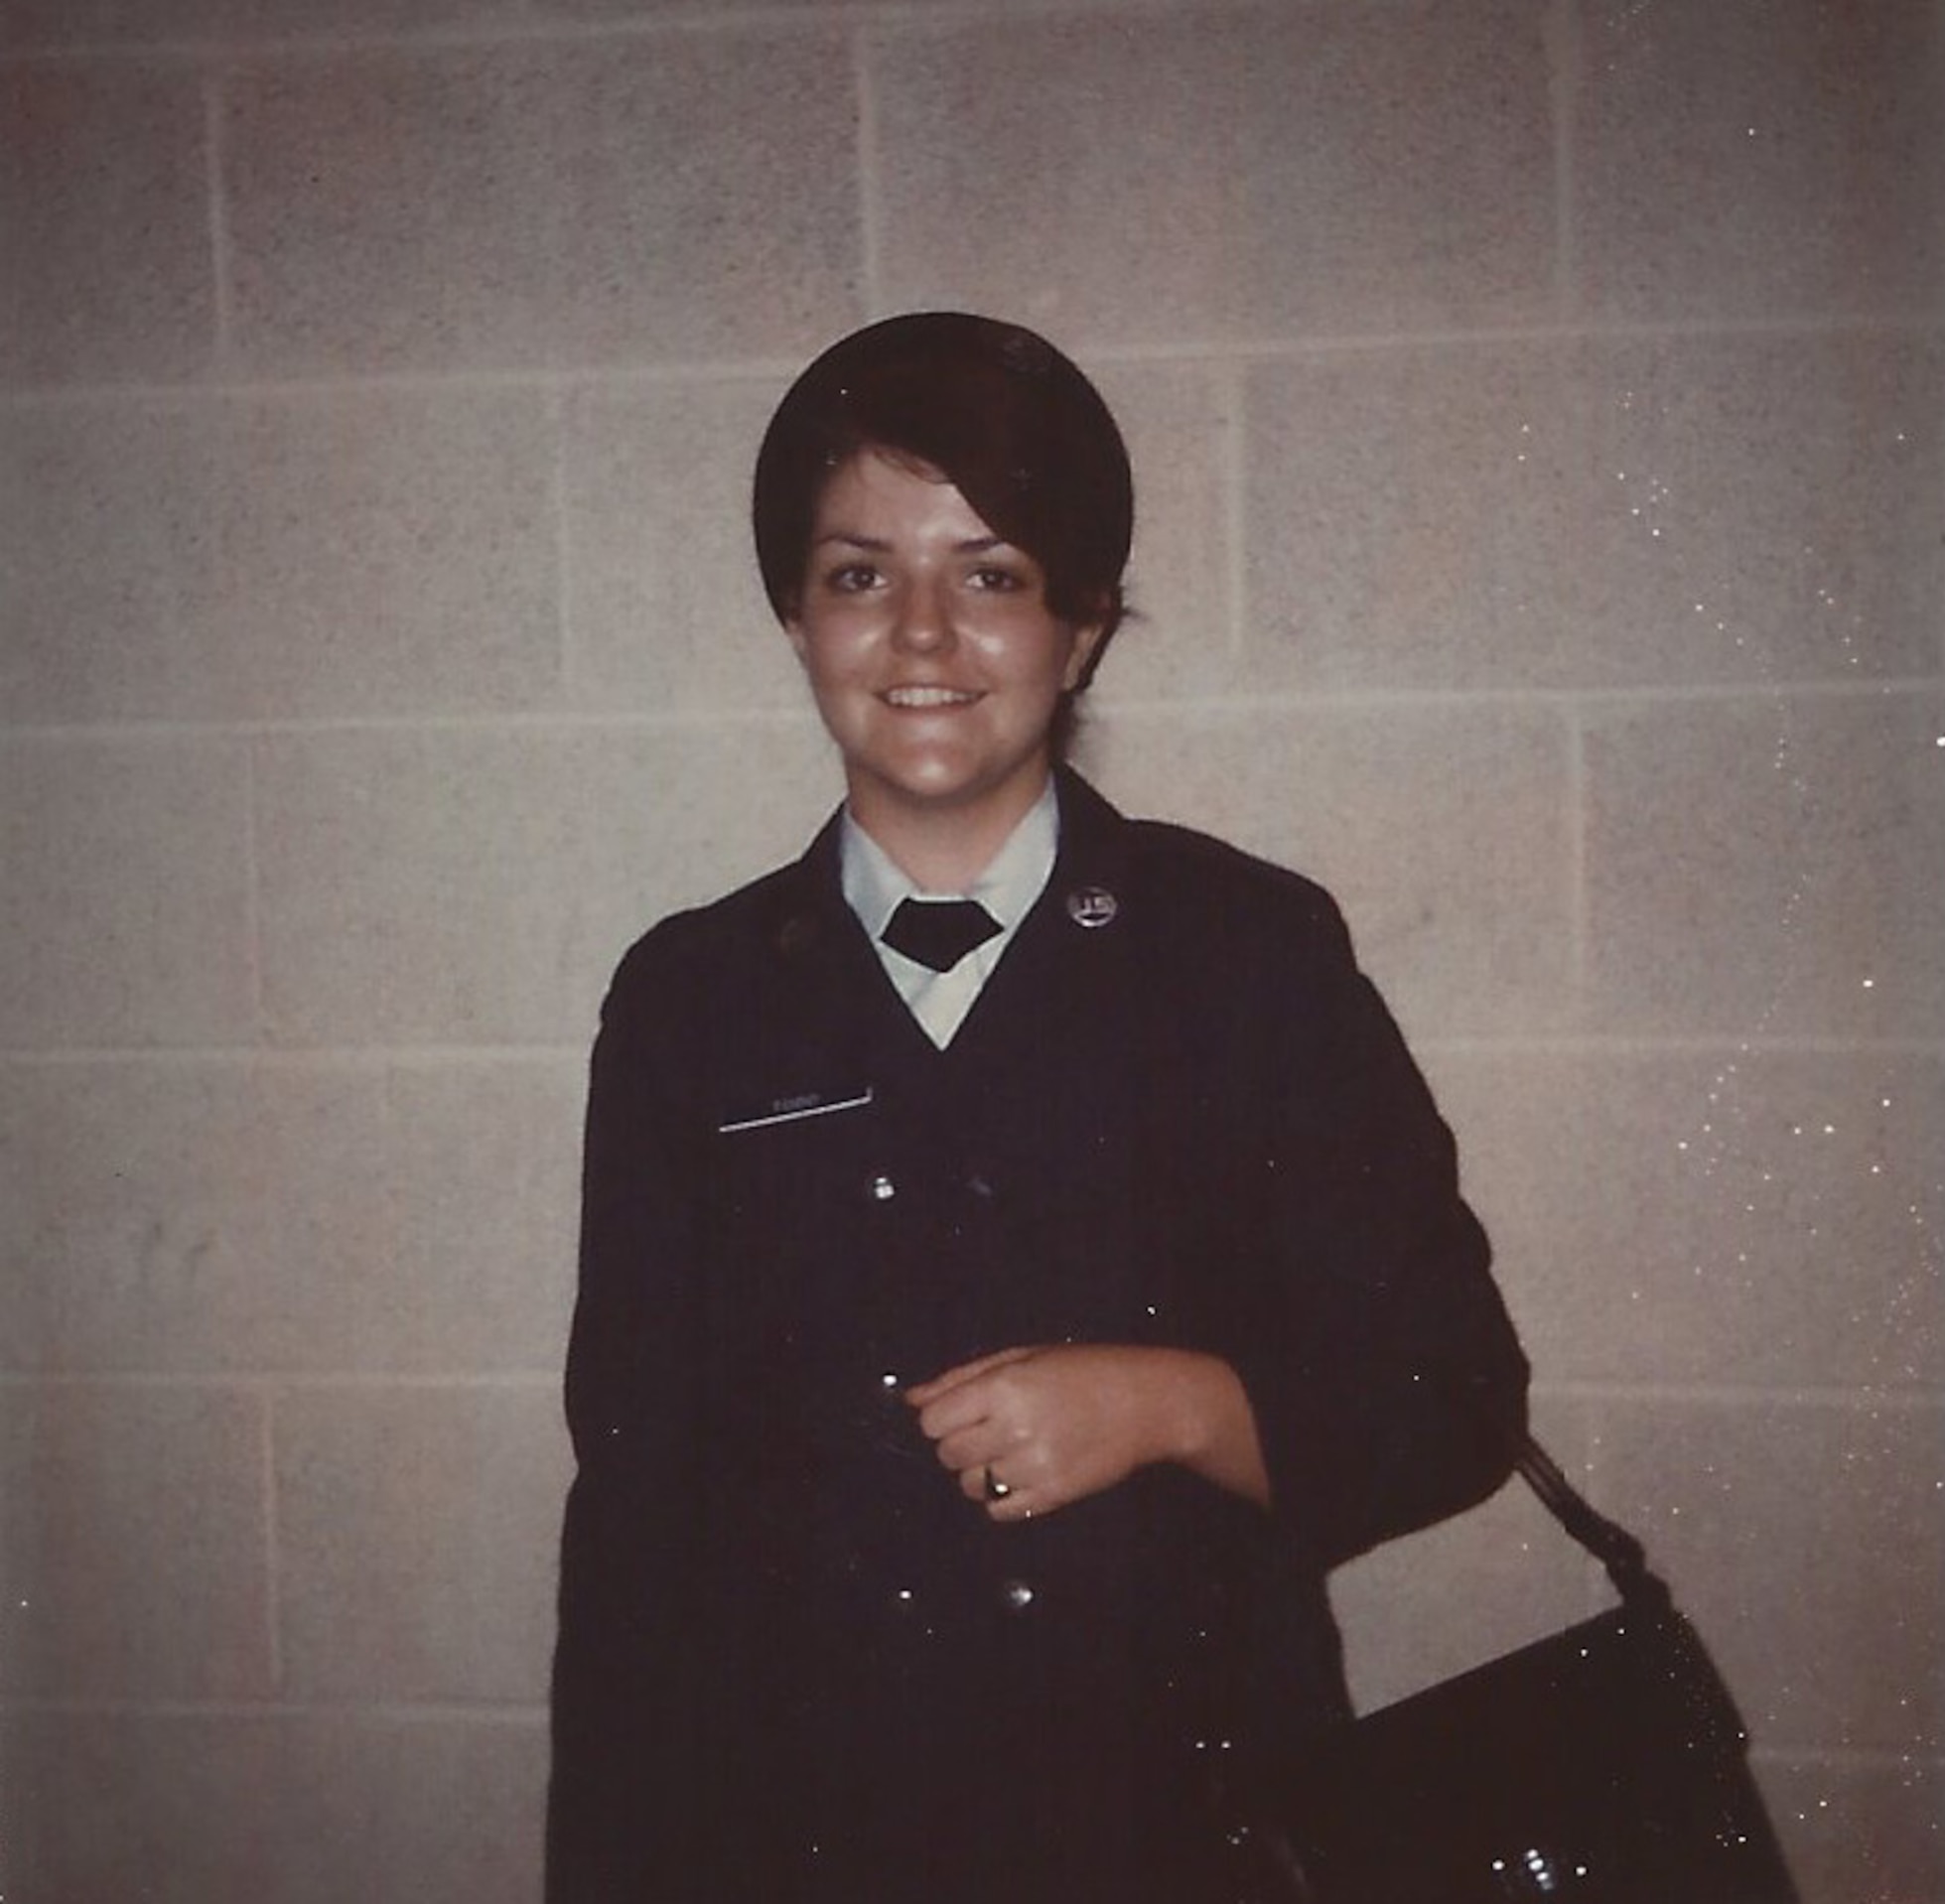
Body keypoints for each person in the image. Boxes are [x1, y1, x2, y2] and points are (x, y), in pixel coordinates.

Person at [545, 312, 1528, 1904]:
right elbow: (635, 1512)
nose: (922, 634)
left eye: (991, 573)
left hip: (1176, 1832)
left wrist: (1177, 1404)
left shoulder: (1249, 950)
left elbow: (1458, 1395)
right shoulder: (688, 996)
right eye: (861, 573)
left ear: (1082, 627)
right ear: (795, 616)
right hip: (803, 1842)